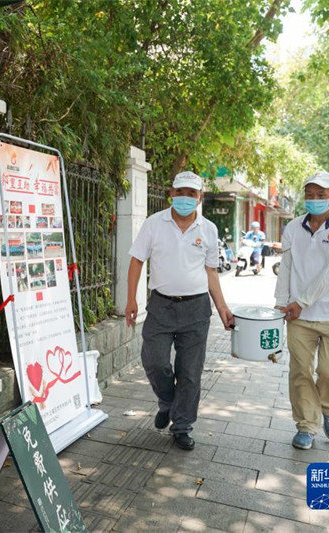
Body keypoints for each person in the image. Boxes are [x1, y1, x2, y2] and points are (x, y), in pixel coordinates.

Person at [125, 171, 235, 450]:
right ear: (171, 194)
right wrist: (131, 300)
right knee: (154, 360)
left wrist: (222, 307)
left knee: (190, 371)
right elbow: (137, 260)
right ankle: (167, 402)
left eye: (191, 193)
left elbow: (211, 271)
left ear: (199, 198)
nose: (185, 198)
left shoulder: (208, 229)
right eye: (180, 192)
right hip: (160, 305)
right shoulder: (154, 223)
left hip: (196, 309)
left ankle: (182, 425)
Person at [274, 171, 329, 450]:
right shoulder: (293, 228)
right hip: (299, 317)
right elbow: (286, 267)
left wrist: (301, 302)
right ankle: (306, 425)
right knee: (300, 371)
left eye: (321, 195)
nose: (314, 199)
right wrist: (281, 303)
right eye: (310, 195)